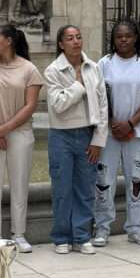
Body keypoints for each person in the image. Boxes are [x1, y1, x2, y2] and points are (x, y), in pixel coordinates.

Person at [94, 18, 140, 247]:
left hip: (136, 134)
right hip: (108, 134)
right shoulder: (104, 64)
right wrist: (113, 123)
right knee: (104, 181)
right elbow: (99, 98)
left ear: (135, 38)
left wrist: (130, 124)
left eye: (128, 36)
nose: (123, 40)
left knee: (136, 181)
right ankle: (102, 228)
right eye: (118, 36)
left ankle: (135, 228)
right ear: (113, 40)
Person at [44, 23, 108, 253]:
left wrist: (98, 140)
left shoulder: (93, 67)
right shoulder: (53, 70)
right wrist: (79, 85)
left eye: (78, 37)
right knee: (62, 188)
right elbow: (58, 104)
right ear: (61, 44)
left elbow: (102, 106)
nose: (75, 42)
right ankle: (61, 237)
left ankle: (81, 236)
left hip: (87, 134)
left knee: (85, 187)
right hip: (61, 135)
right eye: (70, 38)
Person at [0, 23, 43, 250]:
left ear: (9, 41)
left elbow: (31, 105)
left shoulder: (29, 69)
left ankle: (18, 233)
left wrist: (4, 129)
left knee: (19, 183)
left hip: (20, 133)